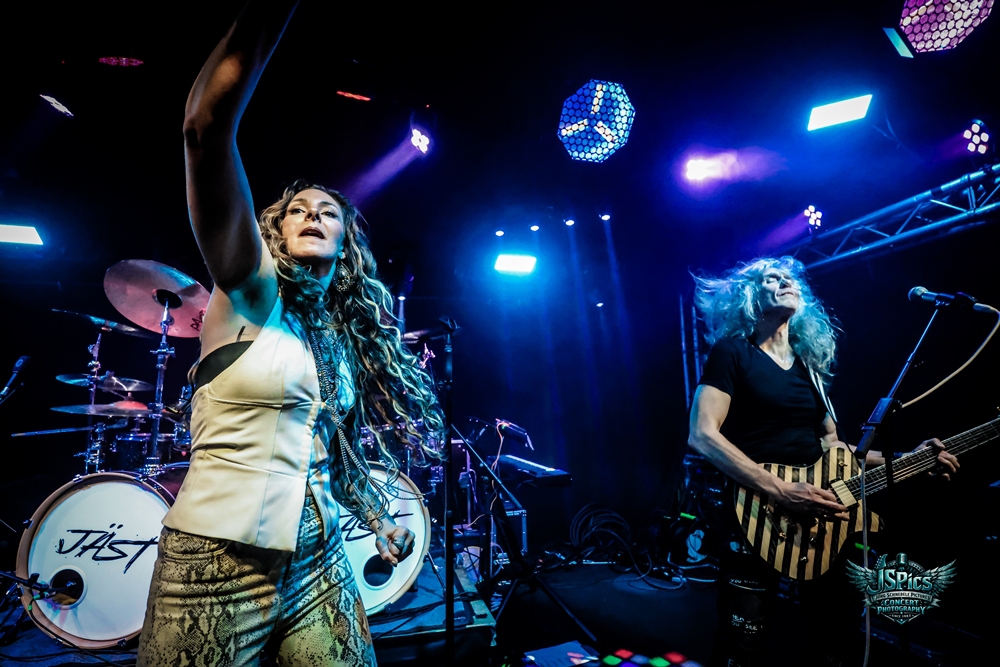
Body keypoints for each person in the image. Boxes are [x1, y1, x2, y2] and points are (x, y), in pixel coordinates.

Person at [137, 2, 443, 665]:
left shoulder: (336, 334)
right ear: (275, 228)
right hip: (217, 568)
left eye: (327, 210)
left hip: (320, 563)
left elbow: (334, 449)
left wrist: (377, 517)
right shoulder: (249, 288)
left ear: (346, 241)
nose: (311, 213)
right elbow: (202, 128)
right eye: (296, 208)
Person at [686, 256, 959, 667]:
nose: (785, 282)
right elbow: (702, 434)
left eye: (789, 278)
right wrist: (781, 490)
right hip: (756, 511)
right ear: (750, 296)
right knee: (743, 639)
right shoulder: (733, 353)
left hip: (820, 516)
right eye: (772, 278)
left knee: (834, 637)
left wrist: (912, 459)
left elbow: (837, 450)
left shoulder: (810, 368)